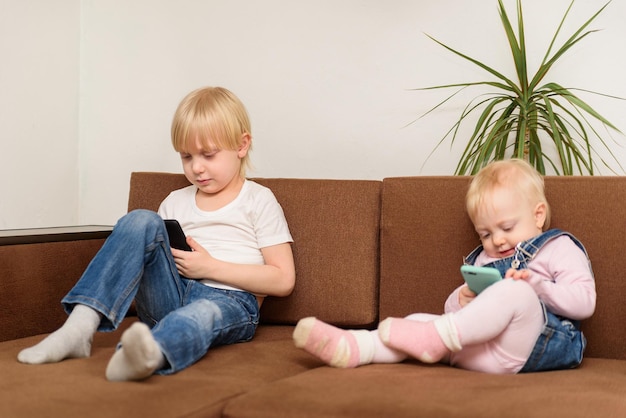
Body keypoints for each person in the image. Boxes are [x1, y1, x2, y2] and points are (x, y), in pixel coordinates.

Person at [18, 86, 296, 381]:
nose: (197, 167)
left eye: (208, 155)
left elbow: (283, 279)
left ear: (242, 146)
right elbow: (149, 260)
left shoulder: (258, 200)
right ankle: (79, 327)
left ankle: (147, 354)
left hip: (231, 303)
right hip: (169, 295)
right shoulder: (174, 201)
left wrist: (210, 267)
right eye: (186, 156)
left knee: (201, 313)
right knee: (140, 219)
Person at [293, 159, 595, 374]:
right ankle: (357, 347)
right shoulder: (484, 259)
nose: (498, 241)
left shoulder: (558, 247)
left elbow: (585, 302)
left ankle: (435, 339)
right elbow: (459, 317)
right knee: (417, 321)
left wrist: (537, 286)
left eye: (506, 227)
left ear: (538, 215)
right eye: (486, 234)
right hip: (482, 356)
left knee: (515, 291)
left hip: (533, 349)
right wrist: (461, 300)